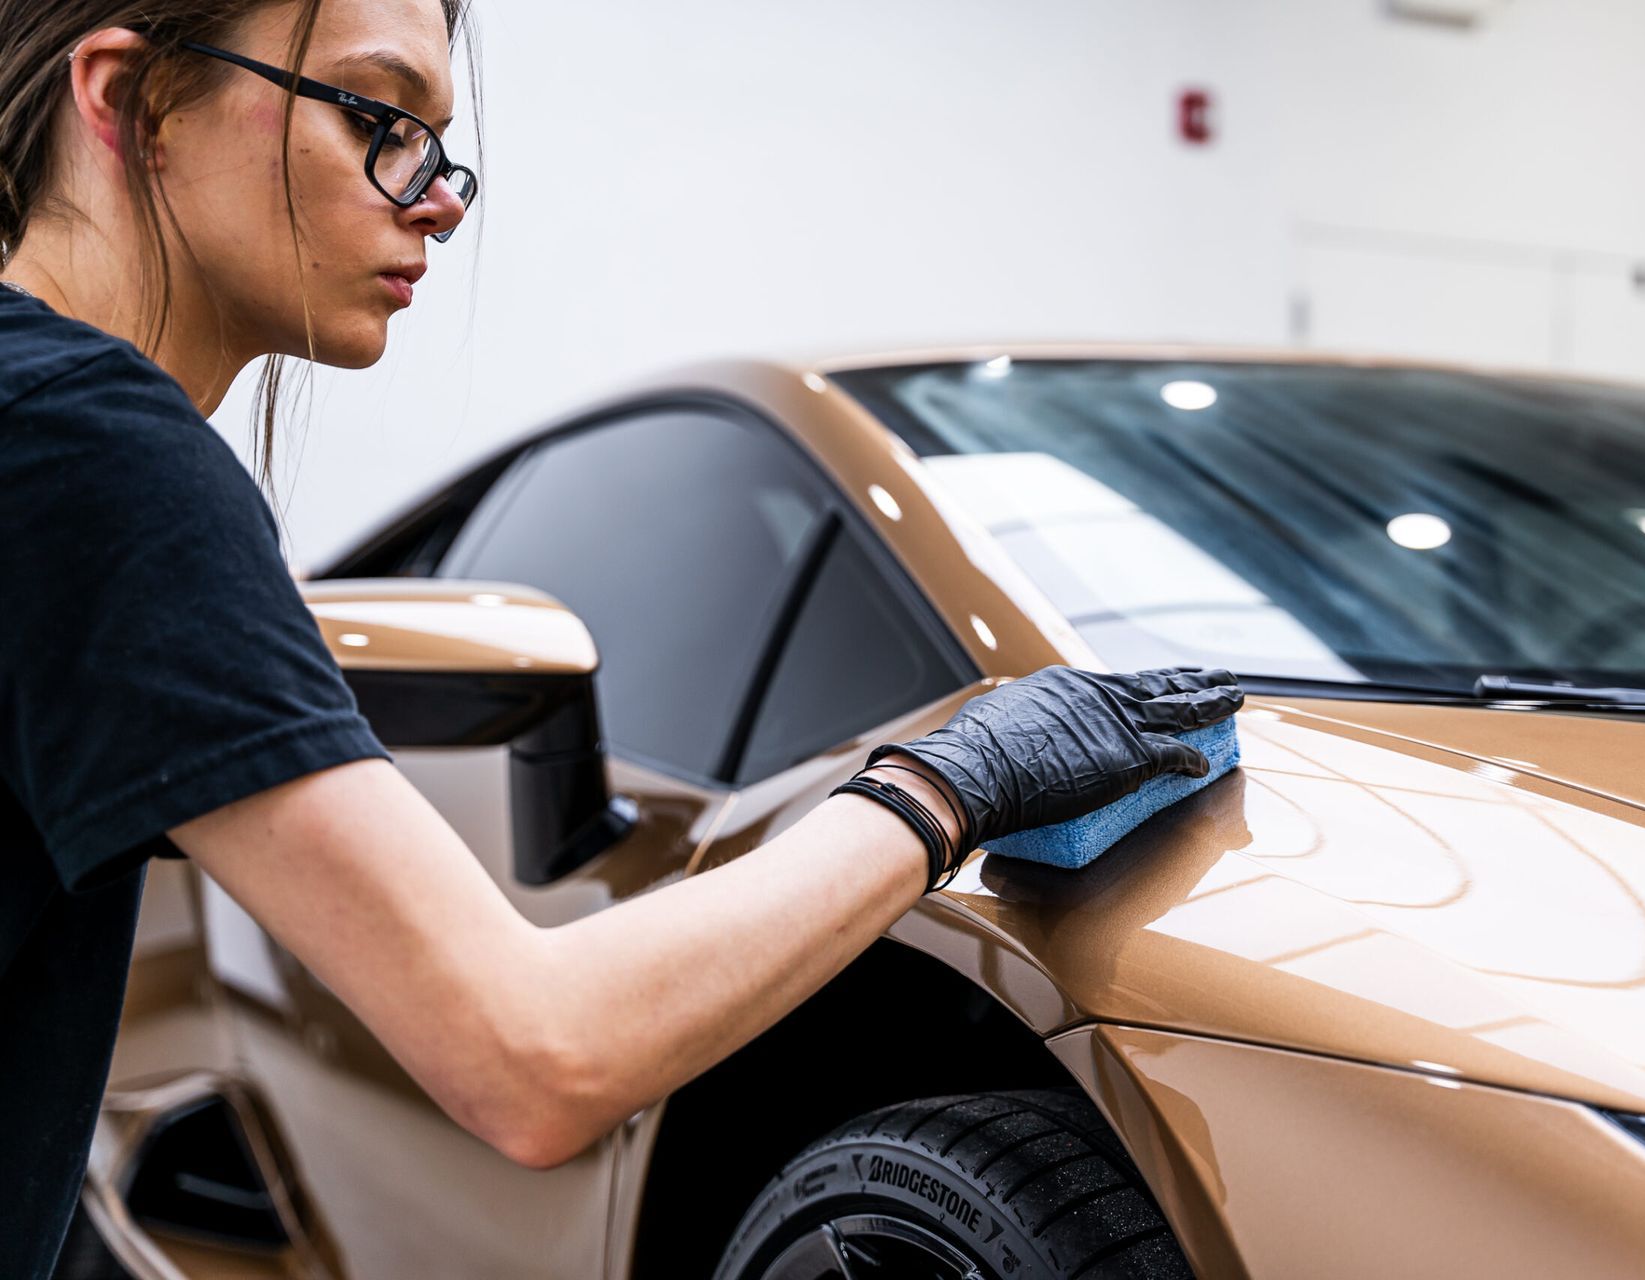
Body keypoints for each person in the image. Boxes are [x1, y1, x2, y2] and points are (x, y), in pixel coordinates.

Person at [0, 1, 1244, 1274]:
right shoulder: (96, 456)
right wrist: (949, 782)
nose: (438, 205)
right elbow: (533, 1053)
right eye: (379, 120)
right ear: (135, 99)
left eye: (439, 148)